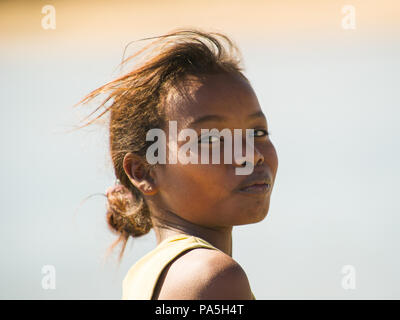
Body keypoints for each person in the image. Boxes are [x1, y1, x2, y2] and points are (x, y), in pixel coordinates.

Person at [77, 28, 278, 300]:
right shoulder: (211, 278)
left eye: (257, 132)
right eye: (211, 139)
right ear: (144, 171)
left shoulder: (146, 276)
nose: (251, 155)